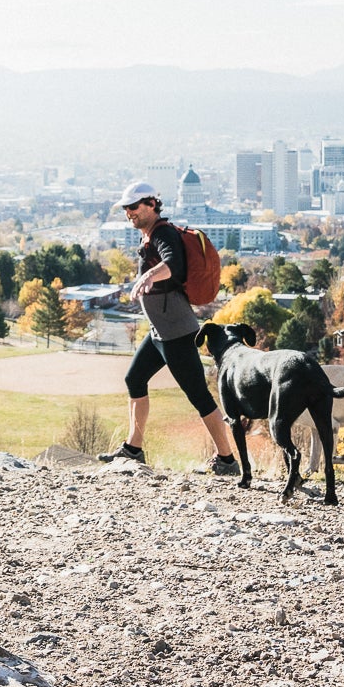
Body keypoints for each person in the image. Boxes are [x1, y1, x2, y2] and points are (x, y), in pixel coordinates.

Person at [99, 181, 240, 472]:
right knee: (134, 380)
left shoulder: (163, 232)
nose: (129, 213)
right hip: (159, 331)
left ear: (151, 204)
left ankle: (227, 460)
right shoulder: (150, 235)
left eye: (134, 206)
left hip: (177, 332)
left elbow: (174, 264)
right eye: (126, 208)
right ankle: (133, 449)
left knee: (198, 394)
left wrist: (151, 273)